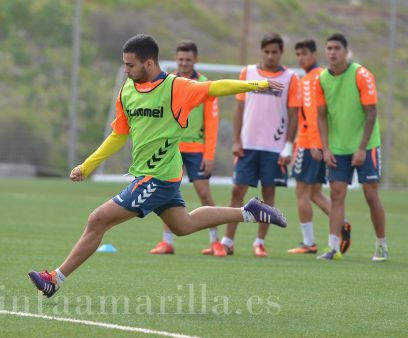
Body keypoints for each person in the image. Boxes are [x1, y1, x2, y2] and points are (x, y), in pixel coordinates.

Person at [28, 34, 287, 298]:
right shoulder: (127, 91)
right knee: (182, 226)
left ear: (149, 63)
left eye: (130, 65)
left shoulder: (177, 88)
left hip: (158, 177)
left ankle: (55, 279)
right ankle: (249, 212)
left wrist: (258, 84)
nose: (126, 70)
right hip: (155, 175)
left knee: (98, 220)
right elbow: (119, 134)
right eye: (125, 64)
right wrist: (88, 165)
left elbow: (215, 87)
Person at [221, 32, 300, 257]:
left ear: (281, 53)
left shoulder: (291, 78)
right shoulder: (248, 73)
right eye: (267, 51)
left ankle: (259, 242)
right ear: (261, 52)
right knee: (238, 190)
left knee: (268, 193)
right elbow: (239, 109)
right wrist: (236, 140)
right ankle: (228, 241)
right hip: (248, 145)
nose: (270, 56)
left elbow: (294, 115)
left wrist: (288, 146)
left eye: (275, 52)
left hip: (274, 148)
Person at [149, 40, 226, 257]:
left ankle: (215, 242)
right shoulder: (168, 83)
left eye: (188, 59)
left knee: (204, 193)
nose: (184, 63)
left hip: (196, 148)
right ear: (176, 59)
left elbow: (212, 123)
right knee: (166, 193)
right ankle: (167, 242)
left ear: (196, 60)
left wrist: (209, 155)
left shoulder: (204, 85)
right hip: (171, 147)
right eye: (181, 59)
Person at [315, 33, 387, 261]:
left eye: (337, 48)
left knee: (370, 194)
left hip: (366, 146)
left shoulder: (361, 75)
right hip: (338, 148)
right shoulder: (322, 79)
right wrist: (325, 148)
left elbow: (372, 112)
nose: (332, 52)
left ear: (346, 51)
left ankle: (381, 245)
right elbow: (321, 116)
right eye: (329, 48)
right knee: (336, 195)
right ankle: (333, 248)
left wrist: (361, 148)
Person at [287, 39, 352, 255]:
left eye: (304, 53)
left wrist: (316, 144)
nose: (300, 58)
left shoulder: (314, 79)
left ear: (314, 55)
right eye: (297, 54)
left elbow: (317, 115)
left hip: (310, 144)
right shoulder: (310, 77)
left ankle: (309, 242)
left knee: (302, 192)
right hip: (310, 142)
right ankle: (341, 223)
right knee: (314, 193)